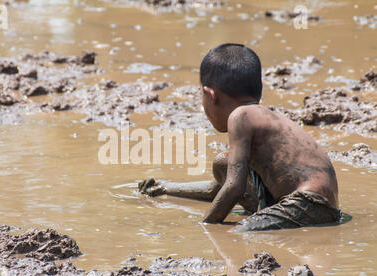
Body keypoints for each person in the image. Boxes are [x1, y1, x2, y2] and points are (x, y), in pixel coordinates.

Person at [138, 43, 342, 232]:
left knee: (237, 234)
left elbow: (234, 188)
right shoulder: (261, 115)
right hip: (320, 203)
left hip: (307, 202)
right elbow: (218, 189)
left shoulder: (240, 116)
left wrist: (206, 226)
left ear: (210, 95)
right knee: (222, 164)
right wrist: (165, 188)